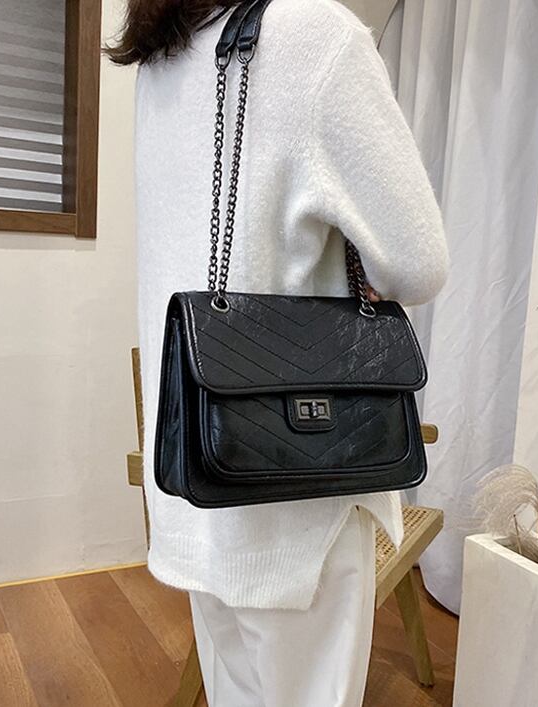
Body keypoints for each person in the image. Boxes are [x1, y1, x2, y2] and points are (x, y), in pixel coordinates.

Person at [107, 1, 449, 704]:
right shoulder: (318, 38)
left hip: (201, 473)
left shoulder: (164, 56)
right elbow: (417, 263)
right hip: (299, 489)